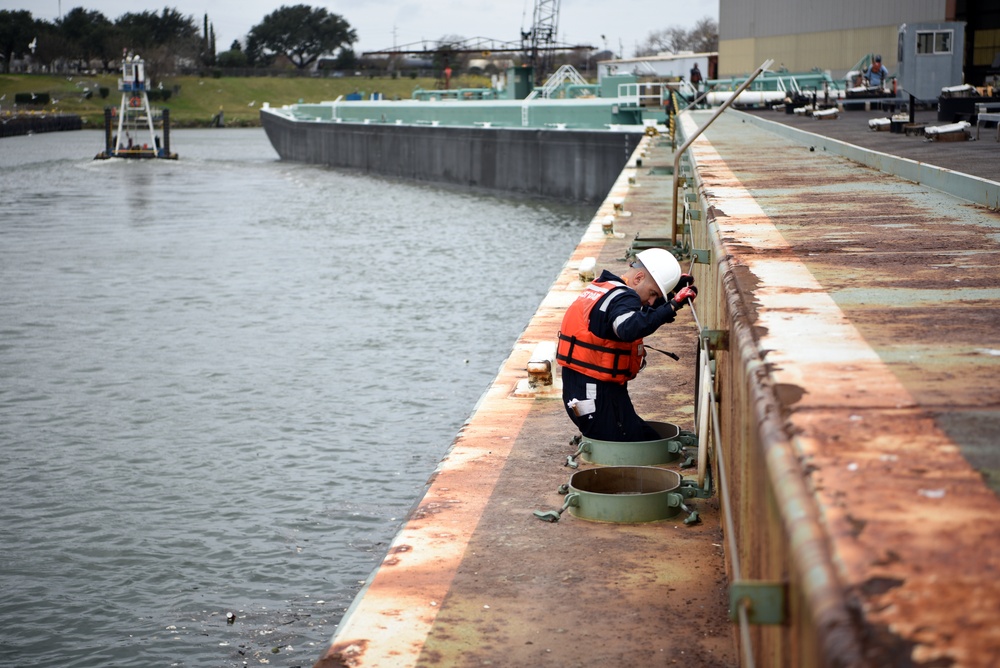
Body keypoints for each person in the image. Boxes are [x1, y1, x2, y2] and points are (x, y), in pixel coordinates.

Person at [557, 248, 697, 442]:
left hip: (583, 390)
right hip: (594, 395)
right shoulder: (625, 297)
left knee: (641, 434)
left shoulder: (606, 286)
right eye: (653, 294)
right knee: (626, 442)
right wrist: (671, 307)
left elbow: (629, 312)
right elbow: (627, 327)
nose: (650, 302)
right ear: (638, 278)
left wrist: (668, 296)